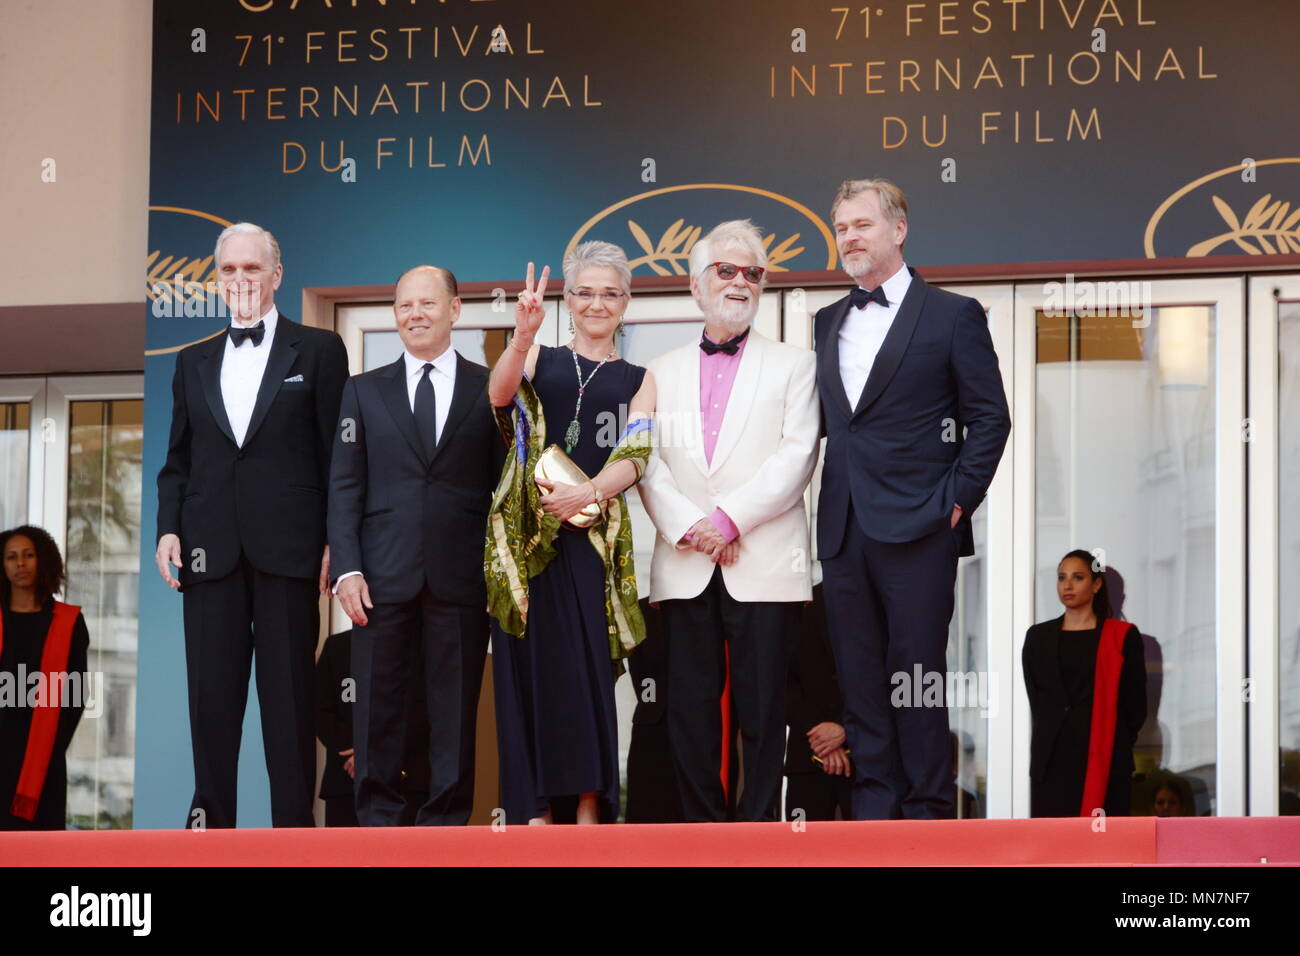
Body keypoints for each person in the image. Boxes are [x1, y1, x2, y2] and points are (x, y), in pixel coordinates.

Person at [812, 178, 1011, 820]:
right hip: (843, 530)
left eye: (861, 225)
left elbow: (990, 419)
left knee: (917, 677)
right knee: (862, 680)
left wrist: (954, 504)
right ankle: (874, 811)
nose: (849, 238)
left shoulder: (953, 315)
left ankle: (927, 811)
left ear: (898, 230)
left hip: (921, 527)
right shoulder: (826, 322)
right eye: (841, 227)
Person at [155, 222, 349, 828]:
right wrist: (168, 528)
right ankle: (209, 829)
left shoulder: (318, 351)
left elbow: (338, 460)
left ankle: (292, 835)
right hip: (209, 553)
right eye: (229, 270)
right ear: (218, 280)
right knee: (211, 702)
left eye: (252, 269)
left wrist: (333, 542)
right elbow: (178, 460)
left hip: (290, 553)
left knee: (288, 705)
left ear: (276, 276)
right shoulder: (191, 361)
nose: (240, 280)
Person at [638, 219, 820, 822]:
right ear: (697, 285)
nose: (741, 282)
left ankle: (761, 833)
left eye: (753, 273)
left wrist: (727, 520)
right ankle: (702, 836)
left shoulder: (796, 364)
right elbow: (645, 462)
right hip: (687, 561)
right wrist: (693, 527)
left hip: (764, 564)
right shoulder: (657, 370)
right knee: (689, 709)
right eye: (727, 270)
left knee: (764, 710)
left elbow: (797, 456)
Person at [486, 243, 655, 825]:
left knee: (584, 674)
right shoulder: (541, 359)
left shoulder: (639, 378)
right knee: (527, 672)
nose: (597, 303)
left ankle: (587, 806)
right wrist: (522, 335)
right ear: (568, 300)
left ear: (626, 303)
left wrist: (589, 493)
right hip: (525, 544)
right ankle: (533, 809)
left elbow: (636, 453)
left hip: (588, 544)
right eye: (584, 292)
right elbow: (500, 396)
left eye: (610, 293)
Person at [328, 265, 503, 826]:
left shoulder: (491, 388)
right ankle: (378, 825)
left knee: (453, 713)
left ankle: (445, 829)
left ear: (455, 310)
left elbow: (506, 487)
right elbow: (344, 486)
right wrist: (347, 569)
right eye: (404, 306)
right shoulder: (362, 390)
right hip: (380, 577)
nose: (415, 314)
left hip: (462, 577)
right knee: (377, 707)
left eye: (427, 303)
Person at [1023, 550, 1147, 817]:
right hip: (1052, 762)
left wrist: (1113, 741)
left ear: (1096, 584)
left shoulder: (1122, 636)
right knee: (1053, 851)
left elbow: (1135, 707)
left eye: (1078, 577)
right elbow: (1038, 701)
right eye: (1061, 577)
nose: (1067, 585)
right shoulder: (1038, 638)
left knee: (1105, 851)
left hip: (1105, 759)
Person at [0, 526, 90, 830]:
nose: (20, 564)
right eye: (11, 557)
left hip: (43, 759)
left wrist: (50, 750)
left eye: (29, 555)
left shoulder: (68, 622)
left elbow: (76, 694)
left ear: (44, 561)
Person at [784, 582, 853, 822]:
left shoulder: (876, 598)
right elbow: (779, 683)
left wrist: (843, 727)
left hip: (864, 760)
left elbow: (887, 678)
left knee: (868, 856)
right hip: (805, 755)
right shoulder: (792, 605)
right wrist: (821, 734)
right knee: (801, 855)